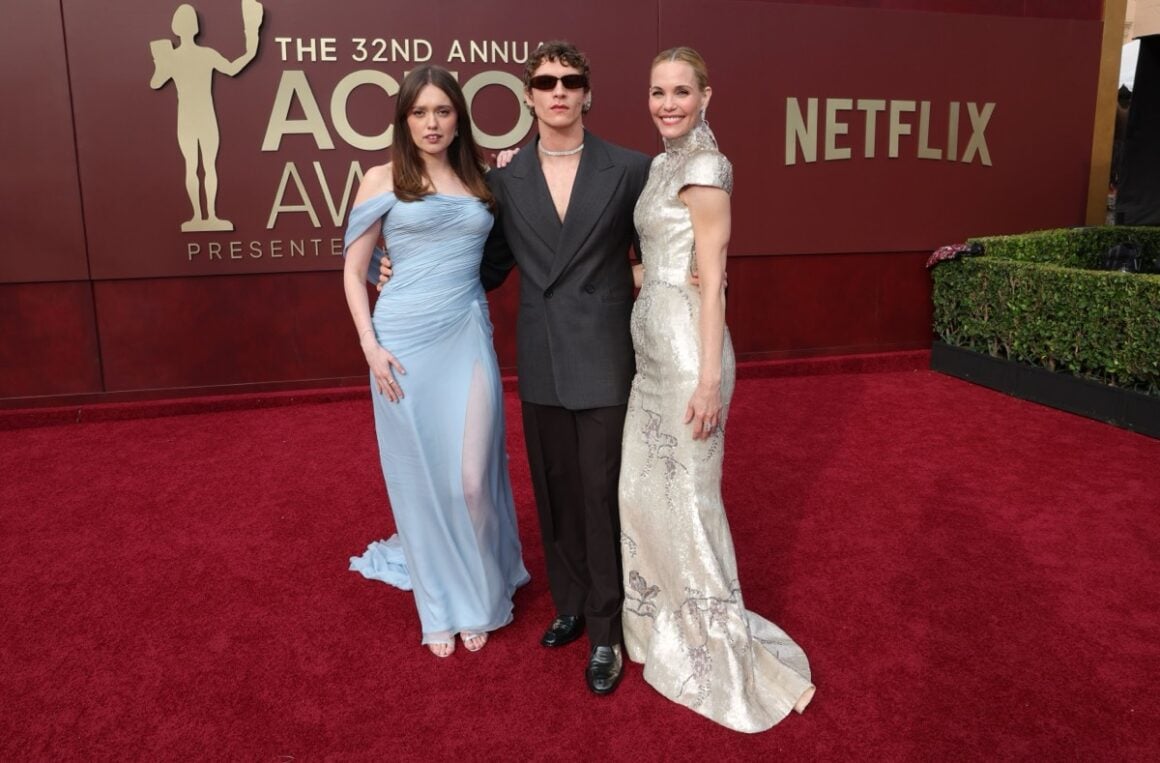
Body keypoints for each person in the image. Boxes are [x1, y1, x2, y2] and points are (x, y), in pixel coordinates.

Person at [617, 47, 816, 731]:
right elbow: (662, 259)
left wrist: (708, 381)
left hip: (686, 357)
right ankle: (661, 630)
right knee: (641, 492)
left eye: (680, 92)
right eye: (656, 92)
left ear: (707, 96)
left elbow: (715, 278)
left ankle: (714, 655)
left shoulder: (705, 167)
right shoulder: (660, 164)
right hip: (650, 351)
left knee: (691, 504)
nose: (667, 103)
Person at [479, 41, 652, 694]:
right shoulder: (505, 181)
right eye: (545, 81)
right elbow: (490, 266)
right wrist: (404, 267)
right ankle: (571, 602)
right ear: (528, 96)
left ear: (587, 93)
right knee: (554, 490)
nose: (557, 91)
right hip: (543, 354)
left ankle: (608, 630)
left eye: (569, 81)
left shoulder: (629, 168)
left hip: (605, 354)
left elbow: (657, 246)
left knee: (600, 491)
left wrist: (675, 275)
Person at [343, 65, 529, 659]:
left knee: (473, 481)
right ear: (404, 119)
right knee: (422, 481)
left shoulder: (481, 178)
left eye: (442, 111)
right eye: (420, 112)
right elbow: (354, 269)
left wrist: (514, 173)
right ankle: (443, 605)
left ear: (458, 119)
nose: (432, 123)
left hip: (466, 333)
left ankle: (480, 591)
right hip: (400, 342)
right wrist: (371, 346)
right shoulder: (380, 178)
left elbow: (508, 241)